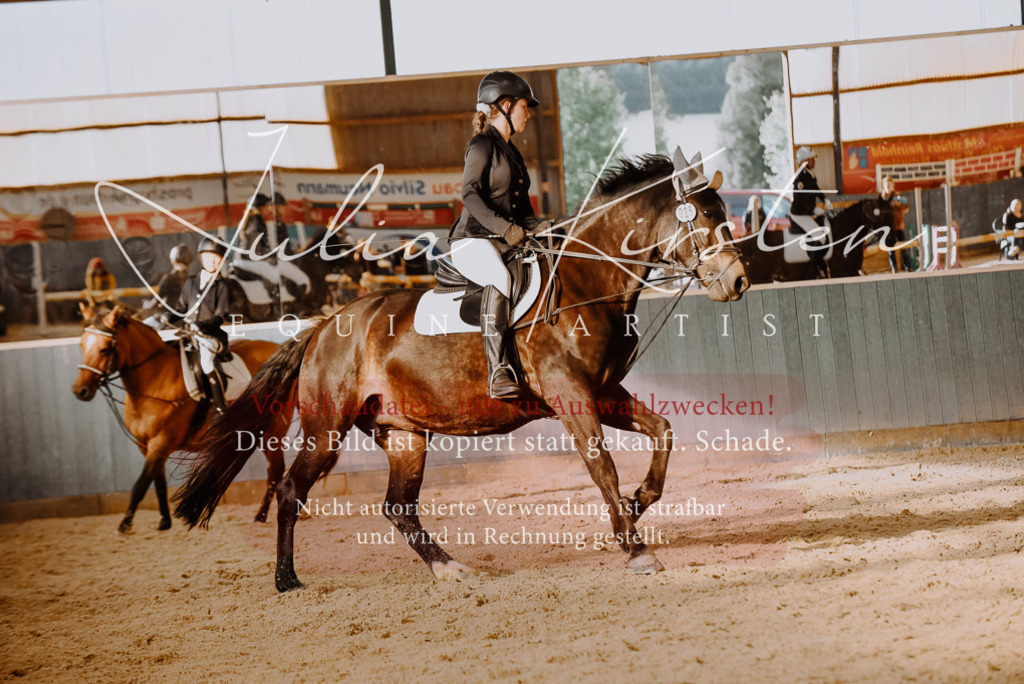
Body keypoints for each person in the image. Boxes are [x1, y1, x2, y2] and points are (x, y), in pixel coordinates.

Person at [449, 70, 545, 399]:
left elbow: (522, 210)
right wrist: (505, 229)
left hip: (504, 241)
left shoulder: (512, 152)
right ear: (505, 105)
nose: (528, 114)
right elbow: (470, 195)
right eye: (524, 107)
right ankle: (498, 370)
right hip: (473, 240)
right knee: (499, 278)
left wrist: (541, 228)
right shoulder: (482, 144)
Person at [174, 237, 230, 412]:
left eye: (217, 258)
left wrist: (201, 325)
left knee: (206, 362)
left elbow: (220, 316)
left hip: (211, 336)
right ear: (201, 258)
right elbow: (180, 307)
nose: (212, 261)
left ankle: (220, 405)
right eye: (208, 257)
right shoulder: (190, 282)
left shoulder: (222, 286)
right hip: (189, 333)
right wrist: (167, 315)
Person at [789, 146, 830, 278]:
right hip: (800, 214)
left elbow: (816, 189)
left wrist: (824, 199)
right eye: (812, 159)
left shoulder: (810, 174)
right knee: (821, 237)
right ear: (805, 161)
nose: (814, 162)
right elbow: (801, 199)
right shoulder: (801, 177)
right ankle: (813, 268)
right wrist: (812, 210)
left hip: (807, 210)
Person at [140, 243, 193, 327]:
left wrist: (146, 306)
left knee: (142, 327)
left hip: (167, 318)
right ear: (190, 260)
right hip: (186, 320)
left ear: (172, 260)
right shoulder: (192, 279)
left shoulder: (168, 278)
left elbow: (157, 300)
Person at [878, 176, 909, 272]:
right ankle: (894, 267)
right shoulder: (882, 198)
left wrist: (899, 206)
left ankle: (908, 266)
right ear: (884, 186)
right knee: (890, 248)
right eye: (887, 185)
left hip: (899, 225)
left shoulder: (898, 196)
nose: (889, 187)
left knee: (904, 246)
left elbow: (906, 208)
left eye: (890, 185)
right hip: (888, 227)